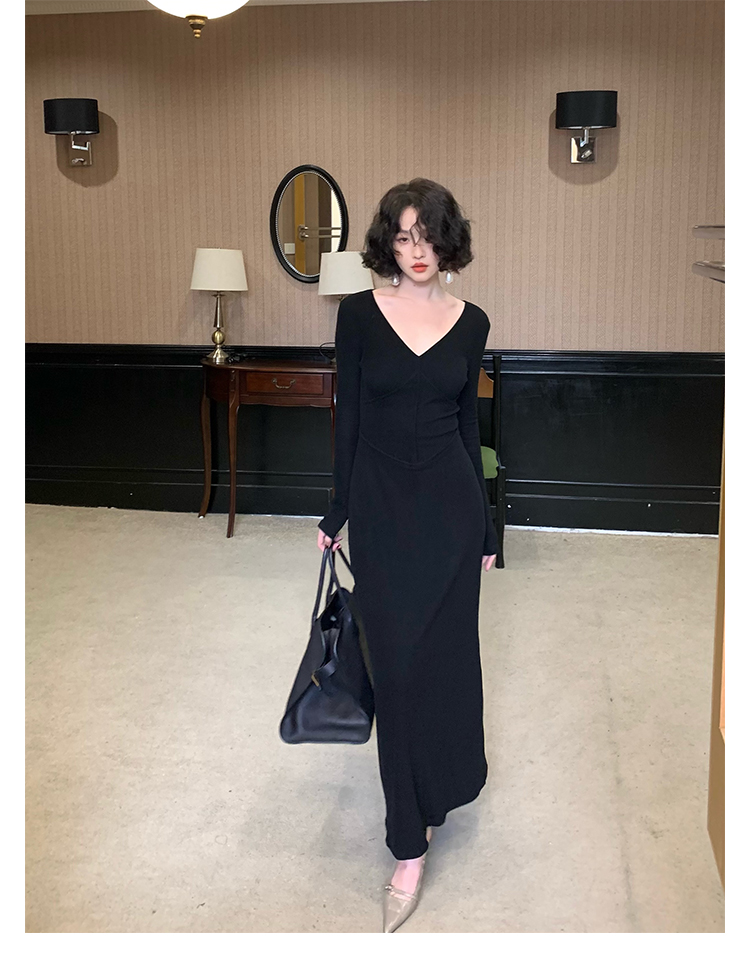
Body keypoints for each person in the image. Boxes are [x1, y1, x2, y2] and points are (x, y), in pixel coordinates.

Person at [316, 178, 498, 933]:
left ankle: (434, 795)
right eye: (402, 236)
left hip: (452, 512)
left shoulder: (471, 321)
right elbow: (348, 419)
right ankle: (406, 844)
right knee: (393, 671)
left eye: (427, 235)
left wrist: (486, 526)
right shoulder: (359, 315)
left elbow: (469, 427)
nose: (415, 251)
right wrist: (337, 509)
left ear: (446, 240)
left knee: (443, 665)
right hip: (383, 510)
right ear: (385, 243)